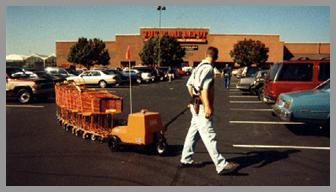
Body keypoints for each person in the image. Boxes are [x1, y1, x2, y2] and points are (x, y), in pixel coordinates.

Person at [179, 46, 239, 175]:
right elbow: (204, 89)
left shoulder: (198, 67)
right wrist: (207, 106)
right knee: (209, 135)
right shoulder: (208, 68)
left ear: (206, 54)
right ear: (216, 57)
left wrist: (194, 99)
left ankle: (186, 158)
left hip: (195, 106)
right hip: (201, 108)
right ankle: (221, 165)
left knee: (193, 133)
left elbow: (189, 85)